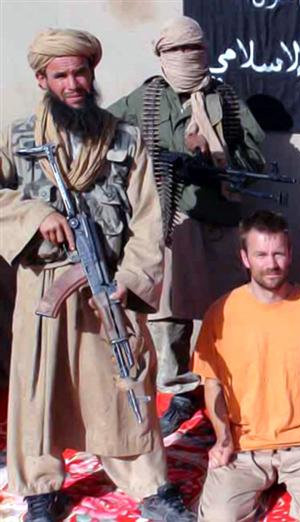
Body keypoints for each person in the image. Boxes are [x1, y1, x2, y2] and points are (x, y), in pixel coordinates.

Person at [0, 29, 194, 521]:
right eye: (60, 75)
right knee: (38, 388)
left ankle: (149, 485)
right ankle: (41, 488)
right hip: (43, 285)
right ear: (42, 79)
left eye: (80, 72)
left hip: (107, 282)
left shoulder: (125, 138)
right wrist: (33, 216)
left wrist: (131, 277)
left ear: (92, 73)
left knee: (125, 382)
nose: (73, 84)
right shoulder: (19, 138)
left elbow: (149, 219)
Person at [109, 16, 269, 436]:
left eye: (193, 48)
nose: (186, 57)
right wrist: (146, 163)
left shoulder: (225, 100)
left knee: (223, 313)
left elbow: (256, 161)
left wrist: (215, 161)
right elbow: (104, 135)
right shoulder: (145, 99)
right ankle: (180, 393)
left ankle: (225, 389)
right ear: (162, 54)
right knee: (167, 316)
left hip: (216, 221)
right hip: (164, 222)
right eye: (176, 50)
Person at [191, 210, 300, 522]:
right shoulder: (221, 312)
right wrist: (223, 439)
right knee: (218, 518)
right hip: (243, 447)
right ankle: (255, 499)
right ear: (245, 258)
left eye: (278, 253)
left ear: (290, 253)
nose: (271, 263)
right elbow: (212, 383)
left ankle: (292, 496)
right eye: (261, 255)